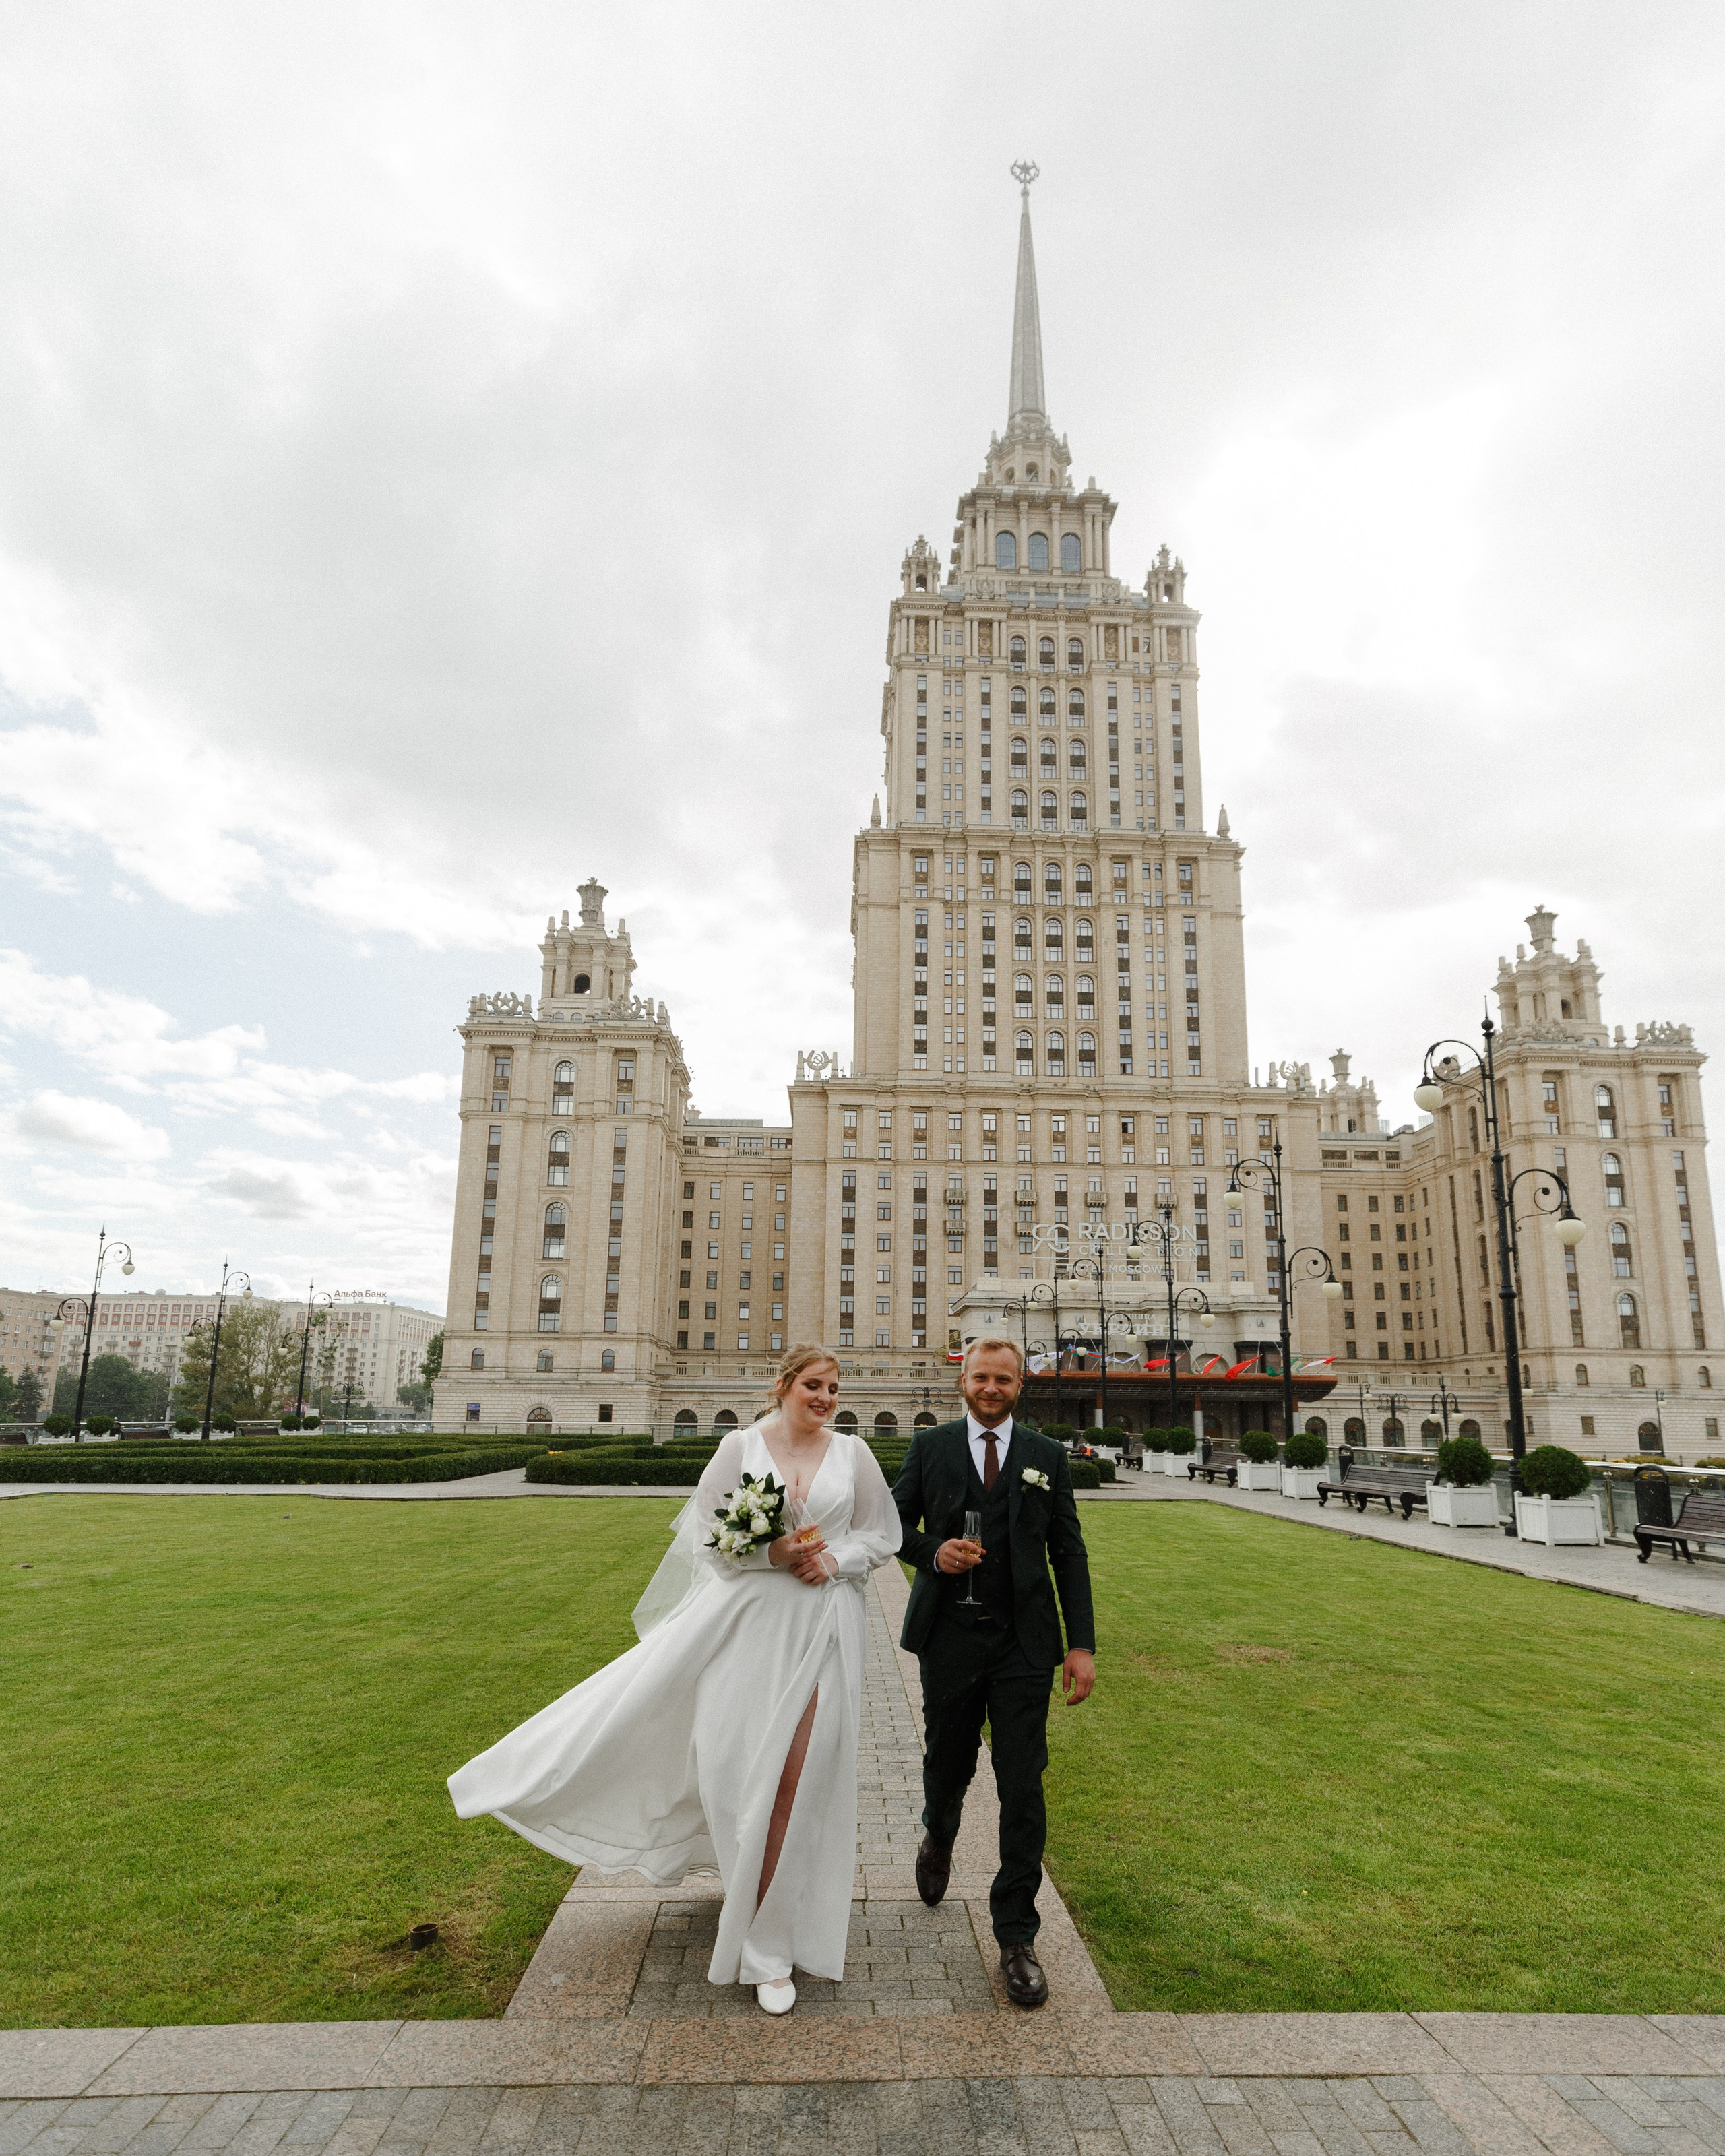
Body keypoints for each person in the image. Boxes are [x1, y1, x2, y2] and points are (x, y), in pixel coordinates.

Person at [447, 1345, 901, 2016]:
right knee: (729, 1771)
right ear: (783, 1385)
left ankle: (769, 1948)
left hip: (821, 1630)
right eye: (813, 1384)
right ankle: (745, 1880)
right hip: (743, 1629)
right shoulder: (739, 1447)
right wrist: (769, 1551)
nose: (825, 1396)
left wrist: (834, 1560)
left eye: (833, 1387)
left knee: (792, 1783)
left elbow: (881, 1534)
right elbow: (707, 1539)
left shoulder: (853, 1455)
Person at [890, 1335, 1095, 2009]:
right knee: (946, 1762)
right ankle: (938, 1828)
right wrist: (932, 1550)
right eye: (980, 1376)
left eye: (1003, 1378)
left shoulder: (1045, 1456)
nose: (990, 1387)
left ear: (1020, 1384)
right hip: (948, 1637)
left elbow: (1068, 1551)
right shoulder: (931, 1446)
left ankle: (1016, 1935)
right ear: (963, 1378)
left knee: (1022, 1782)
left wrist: (1081, 1644)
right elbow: (889, 1524)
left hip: (1022, 1645)